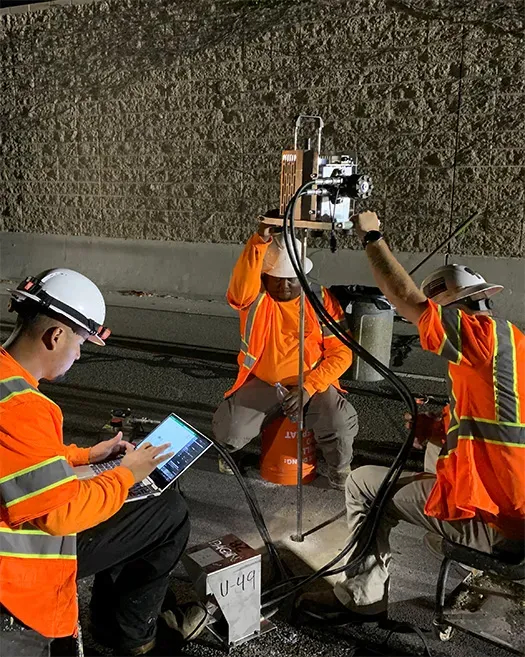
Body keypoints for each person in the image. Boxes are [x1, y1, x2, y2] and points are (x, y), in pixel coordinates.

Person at [300, 212, 525, 620]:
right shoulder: (514, 346)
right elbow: (504, 427)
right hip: (516, 505)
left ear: (454, 310)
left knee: (363, 486)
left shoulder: (478, 337)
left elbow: (403, 294)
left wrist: (371, 235)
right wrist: (437, 429)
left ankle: (361, 600)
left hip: (498, 521)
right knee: (428, 458)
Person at [0, 269, 205, 656]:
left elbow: (18, 457)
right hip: (16, 573)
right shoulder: (25, 406)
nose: (78, 354)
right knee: (169, 512)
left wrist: (86, 456)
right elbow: (61, 516)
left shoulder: (5, 383)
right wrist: (127, 474)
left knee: (155, 501)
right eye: (80, 343)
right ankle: (133, 636)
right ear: (56, 335)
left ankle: (118, 623)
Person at [213, 219, 359, 489]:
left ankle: (339, 469)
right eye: (276, 280)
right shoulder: (254, 297)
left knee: (338, 423)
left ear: (303, 277)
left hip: (311, 385)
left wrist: (309, 386)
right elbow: (238, 289)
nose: (284, 287)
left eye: (292, 280)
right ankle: (231, 453)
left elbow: (342, 353)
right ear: (265, 277)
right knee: (230, 428)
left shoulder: (320, 299)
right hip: (266, 384)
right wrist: (258, 240)